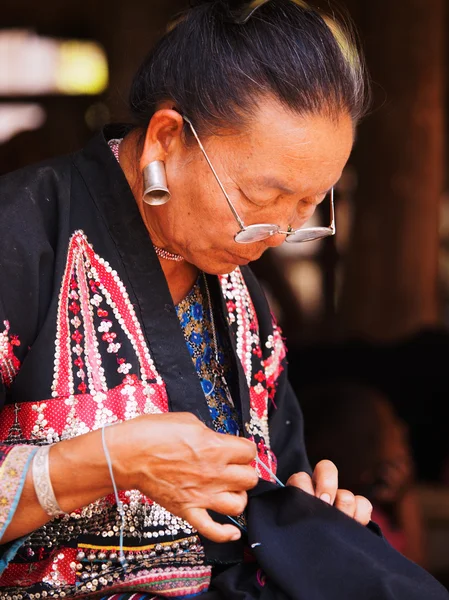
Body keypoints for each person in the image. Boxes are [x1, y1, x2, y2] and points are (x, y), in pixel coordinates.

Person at [0, 0, 373, 597]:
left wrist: (309, 520)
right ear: (167, 138)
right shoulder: (18, 242)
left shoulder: (240, 295)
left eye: (307, 207)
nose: (277, 235)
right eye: (260, 199)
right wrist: (109, 461)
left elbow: (271, 481)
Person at [300, 380, 427, 568]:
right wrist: (406, 498)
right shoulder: (361, 517)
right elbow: (417, 566)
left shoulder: (379, 503)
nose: (402, 430)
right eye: (391, 426)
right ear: (362, 444)